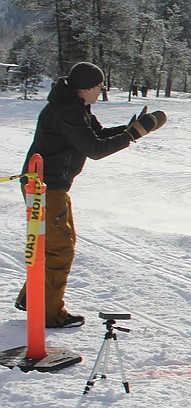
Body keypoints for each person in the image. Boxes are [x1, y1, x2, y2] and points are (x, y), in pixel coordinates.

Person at [13, 62, 167, 328]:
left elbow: (97, 134)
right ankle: (48, 313)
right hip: (45, 187)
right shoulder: (66, 111)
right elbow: (94, 148)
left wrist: (131, 129)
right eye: (99, 87)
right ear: (86, 88)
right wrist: (132, 135)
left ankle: (33, 299)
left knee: (51, 244)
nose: (101, 91)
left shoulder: (75, 106)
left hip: (49, 185)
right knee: (59, 248)